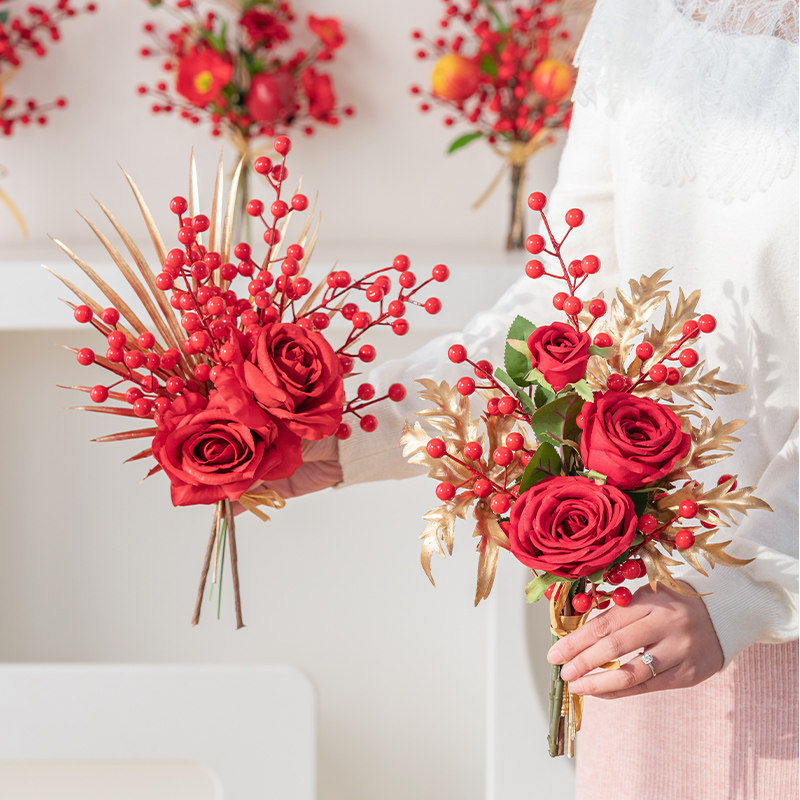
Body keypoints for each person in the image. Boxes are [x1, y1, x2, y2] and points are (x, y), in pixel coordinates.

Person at [276, 0, 799, 796]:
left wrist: (737, 594)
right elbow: (567, 307)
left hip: (727, 611)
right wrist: (352, 429)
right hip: (645, 621)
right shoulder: (642, 16)